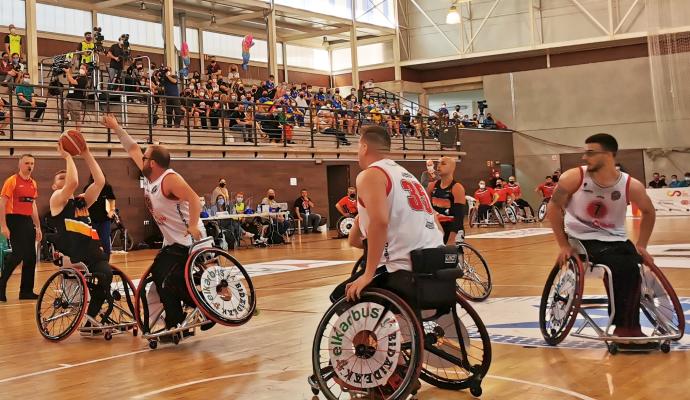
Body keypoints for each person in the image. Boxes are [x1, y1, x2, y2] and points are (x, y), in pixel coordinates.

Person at [101, 114, 208, 335]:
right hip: (173, 241)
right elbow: (131, 147)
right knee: (162, 280)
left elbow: (195, 199)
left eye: (145, 155)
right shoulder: (151, 176)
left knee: (165, 277)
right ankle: (179, 322)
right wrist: (116, 127)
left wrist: (195, 224)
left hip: (189, 239)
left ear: (152, 163)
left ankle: (199, 311)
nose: (141, 156)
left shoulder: (170, 178)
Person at [548, 133, 656, 347]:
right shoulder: (574, 177)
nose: (584, 157)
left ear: (608, 155)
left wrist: (642, 244)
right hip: (580, 238)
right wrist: (563, 245)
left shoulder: (630, 185)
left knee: (632, 265)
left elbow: (648, 212)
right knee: (621, 265)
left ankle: (630, 325)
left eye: (590, 152)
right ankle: (625, 328)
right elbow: (553, 208)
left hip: (615, 238)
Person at [340, 124, 443, 308]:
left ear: (364, 147)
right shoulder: (408, 176)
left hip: (404, 269)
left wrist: (368, 274)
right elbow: (437, 225)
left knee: (342, 298)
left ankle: (392, 332)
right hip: (437, 261)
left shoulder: (370, 174)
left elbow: (379, 222)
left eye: (358, 147)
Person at [48, 139, 113, 321]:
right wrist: (68, 156)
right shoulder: (56, 199)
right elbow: (73, 182)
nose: (65, 179)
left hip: (91, 253)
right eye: (61, 178)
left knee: (106, 275)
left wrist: (86, 153)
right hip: (72, 253)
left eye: (65, 176)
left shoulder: (80, 201)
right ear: (54, 186)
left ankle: (90, 320)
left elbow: (100, 182)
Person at [0, 154, 41, 301]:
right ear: (20, 164)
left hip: (27, 221)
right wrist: (3, 225)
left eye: (32, 163)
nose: (30, 166)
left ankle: (26, 292)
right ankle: (1, 284)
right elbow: (2, 203)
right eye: (27, 163)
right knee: (18, 254)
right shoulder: (12, 181)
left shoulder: (33, 183)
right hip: (13, 219)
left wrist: (38, 226)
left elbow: (33, 205)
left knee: (30, 257)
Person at [428, 157, 466, 244]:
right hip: (437, 228)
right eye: (438, 163)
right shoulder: (432, 186)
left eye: (443, 164)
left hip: (453, 228)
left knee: (451, 255)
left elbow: (459, 216)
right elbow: (428, 209)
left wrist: (452, 238)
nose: (439, 166)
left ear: (452, 168)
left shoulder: (457, 188)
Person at [84, 175, 116, 259]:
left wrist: (111, 210)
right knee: (92, 242)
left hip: (104, 219)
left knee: (105, 240)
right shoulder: (88, 188)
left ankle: (106, 260)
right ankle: (93, 261)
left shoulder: (107, 188)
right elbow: (85, 203)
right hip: (92, 220)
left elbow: (111, 200)